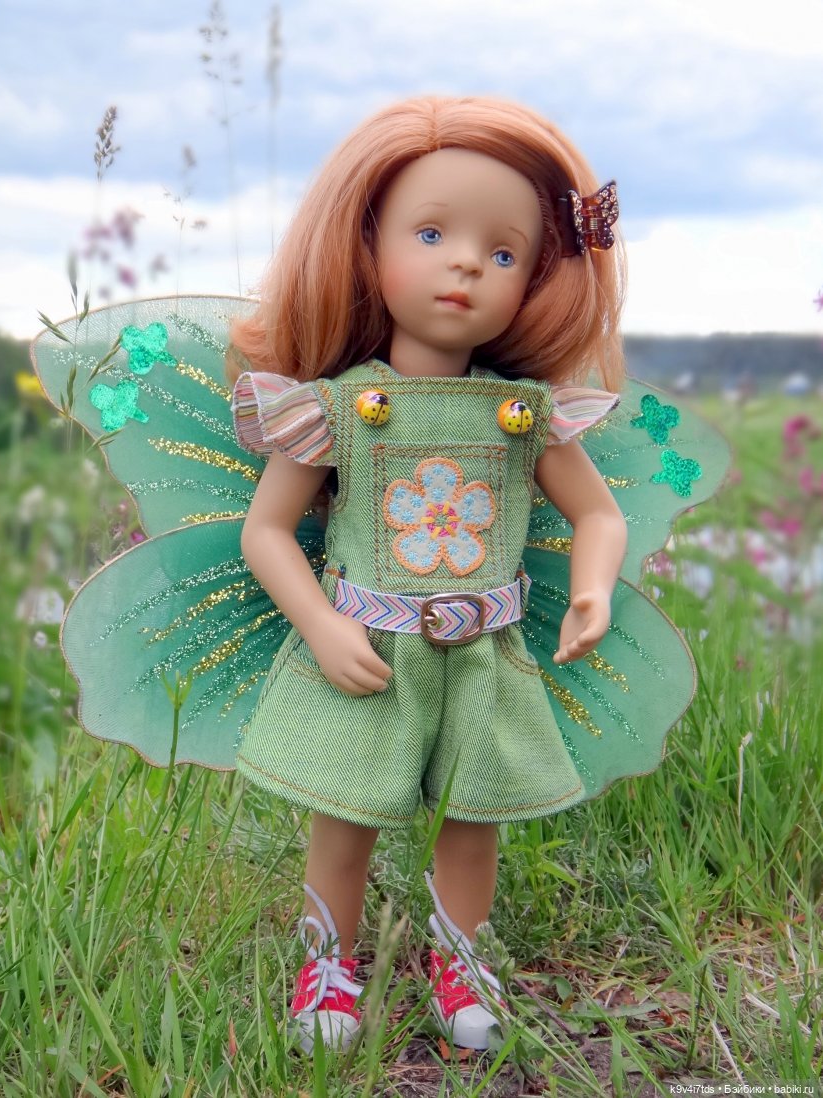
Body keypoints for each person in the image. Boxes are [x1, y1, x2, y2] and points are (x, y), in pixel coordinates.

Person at [225, 95, 631, 1053]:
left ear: (538, 279)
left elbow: (599, 514)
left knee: (470, 821)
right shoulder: (339, 408)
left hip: (483, 655)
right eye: (433, 234)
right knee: (345, 818)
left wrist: (593, 587)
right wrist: (321, 624)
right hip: (368, 650)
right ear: (366, 244)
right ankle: (328, 964)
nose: (466, 265)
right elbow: (267, 532)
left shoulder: (522, 414)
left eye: (504, 252)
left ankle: (461, 955)